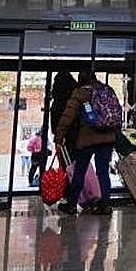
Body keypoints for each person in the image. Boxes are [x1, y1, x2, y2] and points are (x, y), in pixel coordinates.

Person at [55, 71, 116, 216]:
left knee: (79, 172)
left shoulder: (80, 92)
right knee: (103, 172)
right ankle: (105, 205)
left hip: (87, 139)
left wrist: (59, 135)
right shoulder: (107, 90)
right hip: (107, 138)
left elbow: (68, 115)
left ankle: (71, 205)